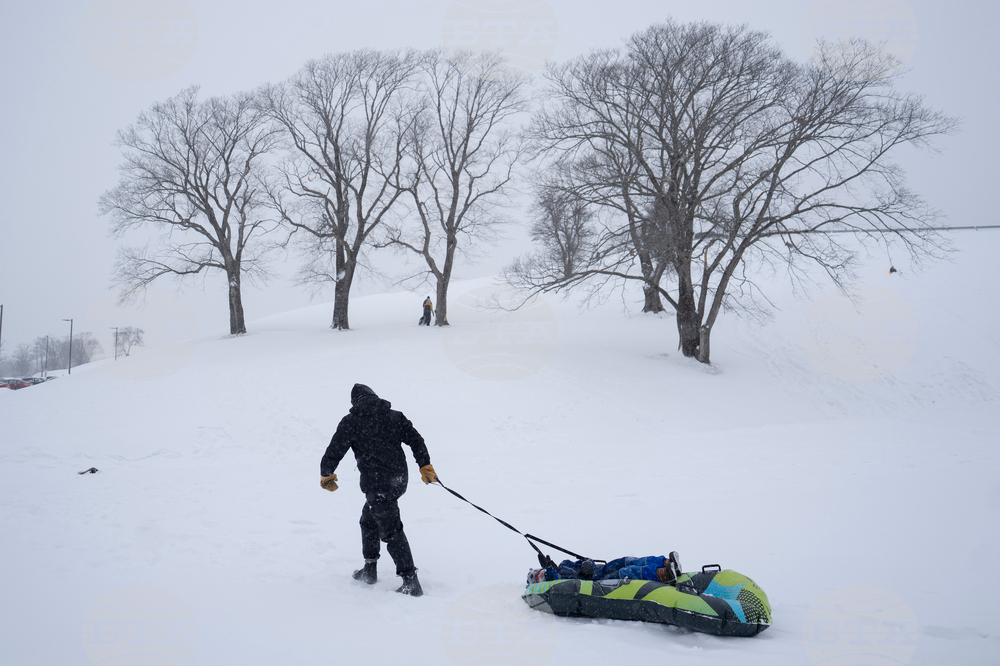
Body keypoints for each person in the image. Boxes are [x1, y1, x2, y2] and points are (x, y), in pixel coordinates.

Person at [320, 383, 439, 596]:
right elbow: (416, 440)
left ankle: (410, 581)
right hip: (398, 480)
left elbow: (335, 449)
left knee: (391, 530)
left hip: (377, 484)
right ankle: (370, 568)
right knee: (368, 520)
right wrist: (424, 465)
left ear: (355, 402)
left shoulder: (352, 422)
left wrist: (326, 472)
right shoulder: (393, 416)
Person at [528, 552, 682, 586]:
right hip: (597, 582)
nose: (541, 575)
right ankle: (662, 574)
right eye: (538, 578)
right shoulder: (554, 581)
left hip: (599, 571)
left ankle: (666, 563)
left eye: (539, 573)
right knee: (626, 572)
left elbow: (586, 560)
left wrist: (587, 564)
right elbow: (555, 579)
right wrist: (548, 569)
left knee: (625, 561)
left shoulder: (564, 564)